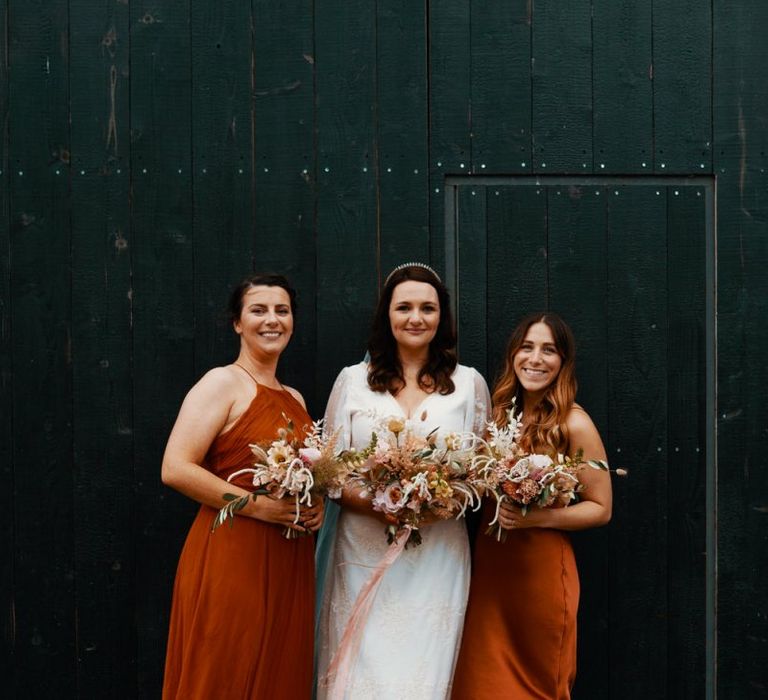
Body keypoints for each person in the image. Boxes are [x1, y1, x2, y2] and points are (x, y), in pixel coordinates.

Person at [315, 263, 491, 699]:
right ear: (387, 316)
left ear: (441, 318)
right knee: (360, 669)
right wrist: (382, 504)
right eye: (405, 307)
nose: (416, 317)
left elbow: (486, 472)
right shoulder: (352, 381)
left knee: (424, 666)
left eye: (427, 308)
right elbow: (329, 472)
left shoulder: (469, 385)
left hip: (438, 549)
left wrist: (442, 502)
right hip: (363, 547)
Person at [161, 274, 323, 700]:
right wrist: (257, 507)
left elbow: (306, 476)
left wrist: (315, 505)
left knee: (279, 671)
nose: (272, 320)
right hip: (233, 552)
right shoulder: (222, 383)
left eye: (282, 311)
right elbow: (175, 467)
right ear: (237, 322)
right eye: (259, 310)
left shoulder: (295, 399)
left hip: (290, 557)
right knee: (225, 668)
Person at [451, 312, 612, 699]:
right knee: (480, 684)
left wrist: (540, 517)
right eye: (527, 347)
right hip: (492, 571)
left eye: (549, 350)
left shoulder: (574, 424)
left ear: (563, 362)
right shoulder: (499, 416)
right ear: (513, 356)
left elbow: (601, 507)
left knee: (536, 685)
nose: (536, 359)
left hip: (539, 575)